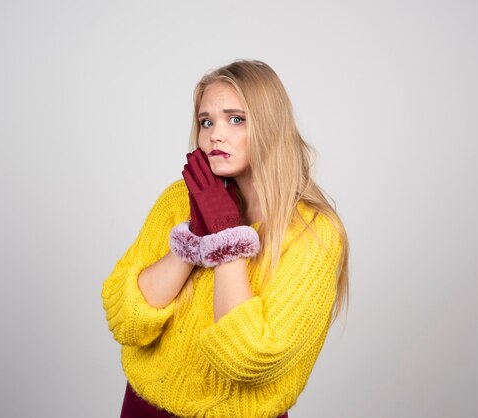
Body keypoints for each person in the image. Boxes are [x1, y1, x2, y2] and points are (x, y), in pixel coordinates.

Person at [101, 59, 349, 418]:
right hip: (143, 408)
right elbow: (126, 319)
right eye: (206, 122)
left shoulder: (314, 233)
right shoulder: (179, 199)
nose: (216, 134)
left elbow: (248, 358)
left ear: (270, 126)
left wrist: (226, 238)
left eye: (236, 119)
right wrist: (192, 241)